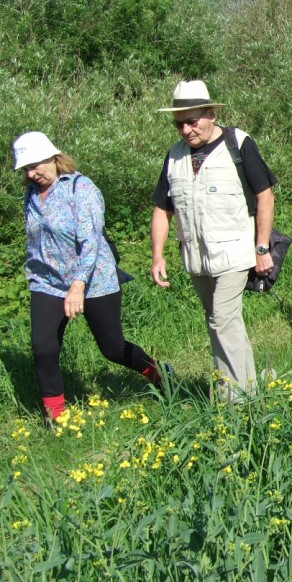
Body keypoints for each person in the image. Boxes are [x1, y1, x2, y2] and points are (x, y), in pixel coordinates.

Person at [15, 131, 163, 422]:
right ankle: (56, 418)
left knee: (113, 348)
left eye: (36, 165)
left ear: (53, 158)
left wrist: (78, 285)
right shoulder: (31, 194)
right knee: (43, 347)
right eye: (26, 169)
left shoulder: (80, 189)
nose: (32, 173)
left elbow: (91, 241)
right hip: (47, 281)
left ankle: (159, 374)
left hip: (94, 279)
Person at [151, 80, 277, 400]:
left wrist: (262, 247)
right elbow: (162, 209)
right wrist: (158, 255)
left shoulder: (238, 143)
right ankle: (246, 384)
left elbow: (265, 196)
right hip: (197, 256)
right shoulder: (175, 156)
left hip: (236, 250)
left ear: (210, 113)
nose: (186, 130)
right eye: (179, 124)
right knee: (219, 322)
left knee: (222, 318)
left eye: (193, 121)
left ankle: (236, 398)